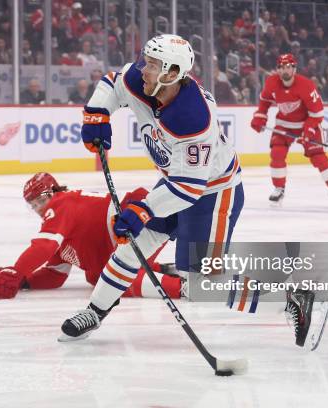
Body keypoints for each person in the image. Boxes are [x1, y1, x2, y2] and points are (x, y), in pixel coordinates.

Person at [59, 34, 246, 341]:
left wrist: (143, 210)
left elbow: (189, 189)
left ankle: (289, 300)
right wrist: (97, 113)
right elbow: (113, 83)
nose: (142, 69)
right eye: (146, 61)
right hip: (176, 182)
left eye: (152, 65)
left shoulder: (193, 118)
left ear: (172, 73)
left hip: (212, 192)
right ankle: (95, 311)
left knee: (202, 284)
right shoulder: (143, 80)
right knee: (131, 247)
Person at [0, 173, 182, 300]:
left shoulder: (61, 204)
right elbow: (55, 275)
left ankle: (184, 289)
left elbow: (44, 246)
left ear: (55, 192)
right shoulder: (60, 228)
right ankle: (164, 270)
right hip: (138, 222)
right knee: (97, 277)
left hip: (139, 217)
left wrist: (16, 272)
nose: (39, 208)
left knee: (115, 279)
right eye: (34, 205)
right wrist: (23, 281)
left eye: (41, 200)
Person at [250, 53, 328, 208]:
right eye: (282, 67)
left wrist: (307, 131)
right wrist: (260, 117)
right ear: (278, 70)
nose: (285, 71)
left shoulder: (306, 85)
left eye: (288, 67)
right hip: (284, 124)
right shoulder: (271, 82)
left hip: (306, 123)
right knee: (277, 153)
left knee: (318, 157)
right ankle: (279, 188)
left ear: (294, 69)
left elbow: (317, 114)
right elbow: (265, 101)